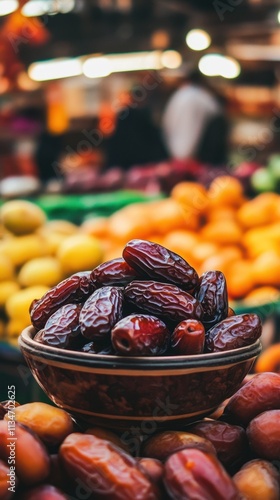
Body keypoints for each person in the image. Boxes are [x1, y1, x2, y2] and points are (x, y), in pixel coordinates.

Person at [162, 69, 229, 165]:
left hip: (197, 164)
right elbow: (188, 132)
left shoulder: (186, 95)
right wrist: (183, 162)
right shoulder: (191, 96)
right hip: (197, 164)